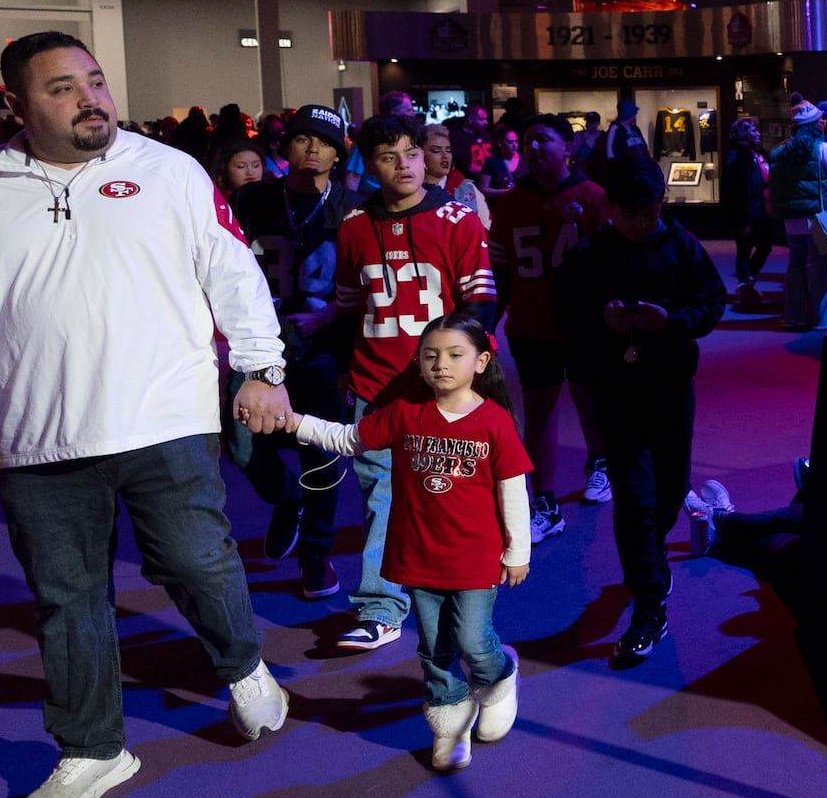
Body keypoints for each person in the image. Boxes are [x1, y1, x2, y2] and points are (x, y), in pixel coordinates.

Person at [0, 32, 295, 798]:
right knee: (68, 599)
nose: (89, 98)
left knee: (196, 563)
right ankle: (94, 748)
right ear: (16, 105)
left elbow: (233, 272)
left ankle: (242, 667)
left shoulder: (168, 172)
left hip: (165, 414)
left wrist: (261, 369)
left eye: (94, 81)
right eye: (63, 88)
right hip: (39, 435)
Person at [283, 314, 530, 770]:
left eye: (455, 355)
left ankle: (499, 676)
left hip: (476, 560)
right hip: (418, 557)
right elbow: (348, 438)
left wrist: (518, 552)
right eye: (430, 355)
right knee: (434, 648)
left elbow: (512, 490)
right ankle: (450, 723)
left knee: (473, 640)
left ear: (481, 361)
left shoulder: (494, 422)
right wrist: (292, 421)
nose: (441, 364)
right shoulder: (404, 412)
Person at [329, 113, 497, 651]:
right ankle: (381, 606)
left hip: (440, 387)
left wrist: (464, 371)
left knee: (444, 493)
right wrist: (344, 374)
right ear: (370, 166)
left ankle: (452, 588)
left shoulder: (458, 219)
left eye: (411, 152)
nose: (404, 164)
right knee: (382, 493)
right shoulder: (354, 225)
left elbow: (481, 302)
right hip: (374, 383)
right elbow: (348, 309)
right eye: (389, 156)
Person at [555, 155, 725, 661]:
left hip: (671, 385)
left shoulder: (681, 246)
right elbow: (566, 311)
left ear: (659, 205)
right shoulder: (590, 253)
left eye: (646, 213)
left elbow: (712, 304)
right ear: (611, 208)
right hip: (617, 388)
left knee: (670, 490)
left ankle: (652, 566)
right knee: (634, 498)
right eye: (628, 214)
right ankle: (649, 601)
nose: (637, 223)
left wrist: (668, 321)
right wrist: (600, 320)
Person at [227, 103, 359, 600]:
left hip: (323, 349)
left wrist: (329, 319)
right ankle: (286, 501)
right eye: (303, 139)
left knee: (320, 454)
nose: (313, 149)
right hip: (258, 348)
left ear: (338, 153)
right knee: (242, 445)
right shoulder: (253, 199)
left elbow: (368, 279)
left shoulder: (354, 205)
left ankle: (316, 555)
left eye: (324, 142)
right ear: (286, 146)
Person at [489, 118, 610, 539]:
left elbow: (612, 265)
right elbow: (500, 271)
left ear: (568, 146)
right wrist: (489, 320)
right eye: (529, 140)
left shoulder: (593, 197)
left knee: (588, 399)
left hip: (584, 323)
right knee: (539, 412)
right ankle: (545, 500)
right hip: (531, 323)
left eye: (544, 138)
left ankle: (599, 460)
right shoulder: (510, 204)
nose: (534, 146)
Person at [768, 102, 827, 331]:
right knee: (821, 267)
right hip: (820, 215)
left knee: (795, 265)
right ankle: (824, 318)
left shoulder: (779, 151)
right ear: (814, 124)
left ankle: (794, 316)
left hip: (792, 219)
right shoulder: (822, 147)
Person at [718, 116, 774, 308]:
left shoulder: (758, 153)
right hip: (748, 213)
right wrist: (743, 220)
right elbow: (738, 190)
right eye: (753, 131)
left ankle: (746, 283)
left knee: (765, 246)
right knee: (745, 249)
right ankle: (746, 285)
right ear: (743, 134)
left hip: (764, 211)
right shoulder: (738, 156)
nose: (758, 134)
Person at [420, 121, 492, 228]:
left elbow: (487, 229)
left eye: (448, 150)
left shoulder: (466, 189)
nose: (445, 156)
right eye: (436, 150)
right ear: (420, 154)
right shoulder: (409, 189)